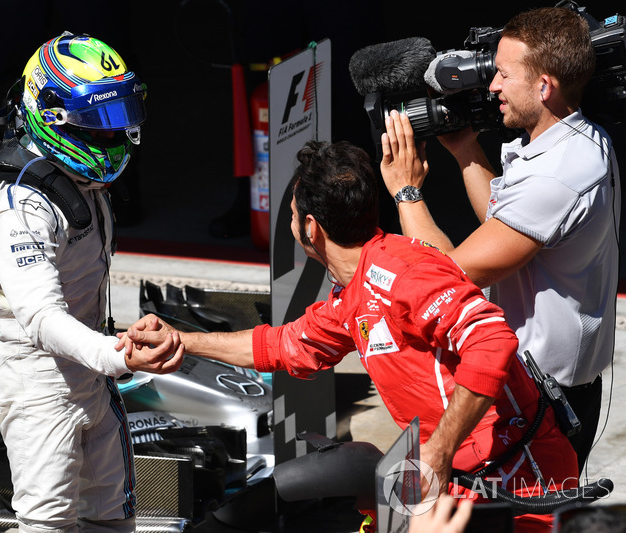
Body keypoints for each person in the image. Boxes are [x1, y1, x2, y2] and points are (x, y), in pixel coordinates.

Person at [123, 140, 578, 532]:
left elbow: (493, 341)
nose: (290, 223)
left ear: (311, 229)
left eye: (292, 214)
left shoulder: (402, 273)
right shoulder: (355, 291)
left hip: (519, 482)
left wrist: (439, 448)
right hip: (457, 479)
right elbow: (284, 345)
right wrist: (181, 340)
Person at [378, 6, 621, 474]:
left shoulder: (558, 177)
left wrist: (406, 192)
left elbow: (444, 277)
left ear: (544, 86)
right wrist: (467, 149)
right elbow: (506, 218)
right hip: (550, 391)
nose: (491, 86)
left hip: (541, 403)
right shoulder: (577, 139)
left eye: (503, 75)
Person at [0, 33, 184, 533]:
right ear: (52, 116)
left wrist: (120, 347)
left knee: (115, 519)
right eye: (100, 121)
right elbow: (42, 319)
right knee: (47, 525)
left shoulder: (84, 184)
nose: (115, 135)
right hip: (38, 386)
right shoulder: (20, 211)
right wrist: (118, 357)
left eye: (121, 118)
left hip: (92, 376)